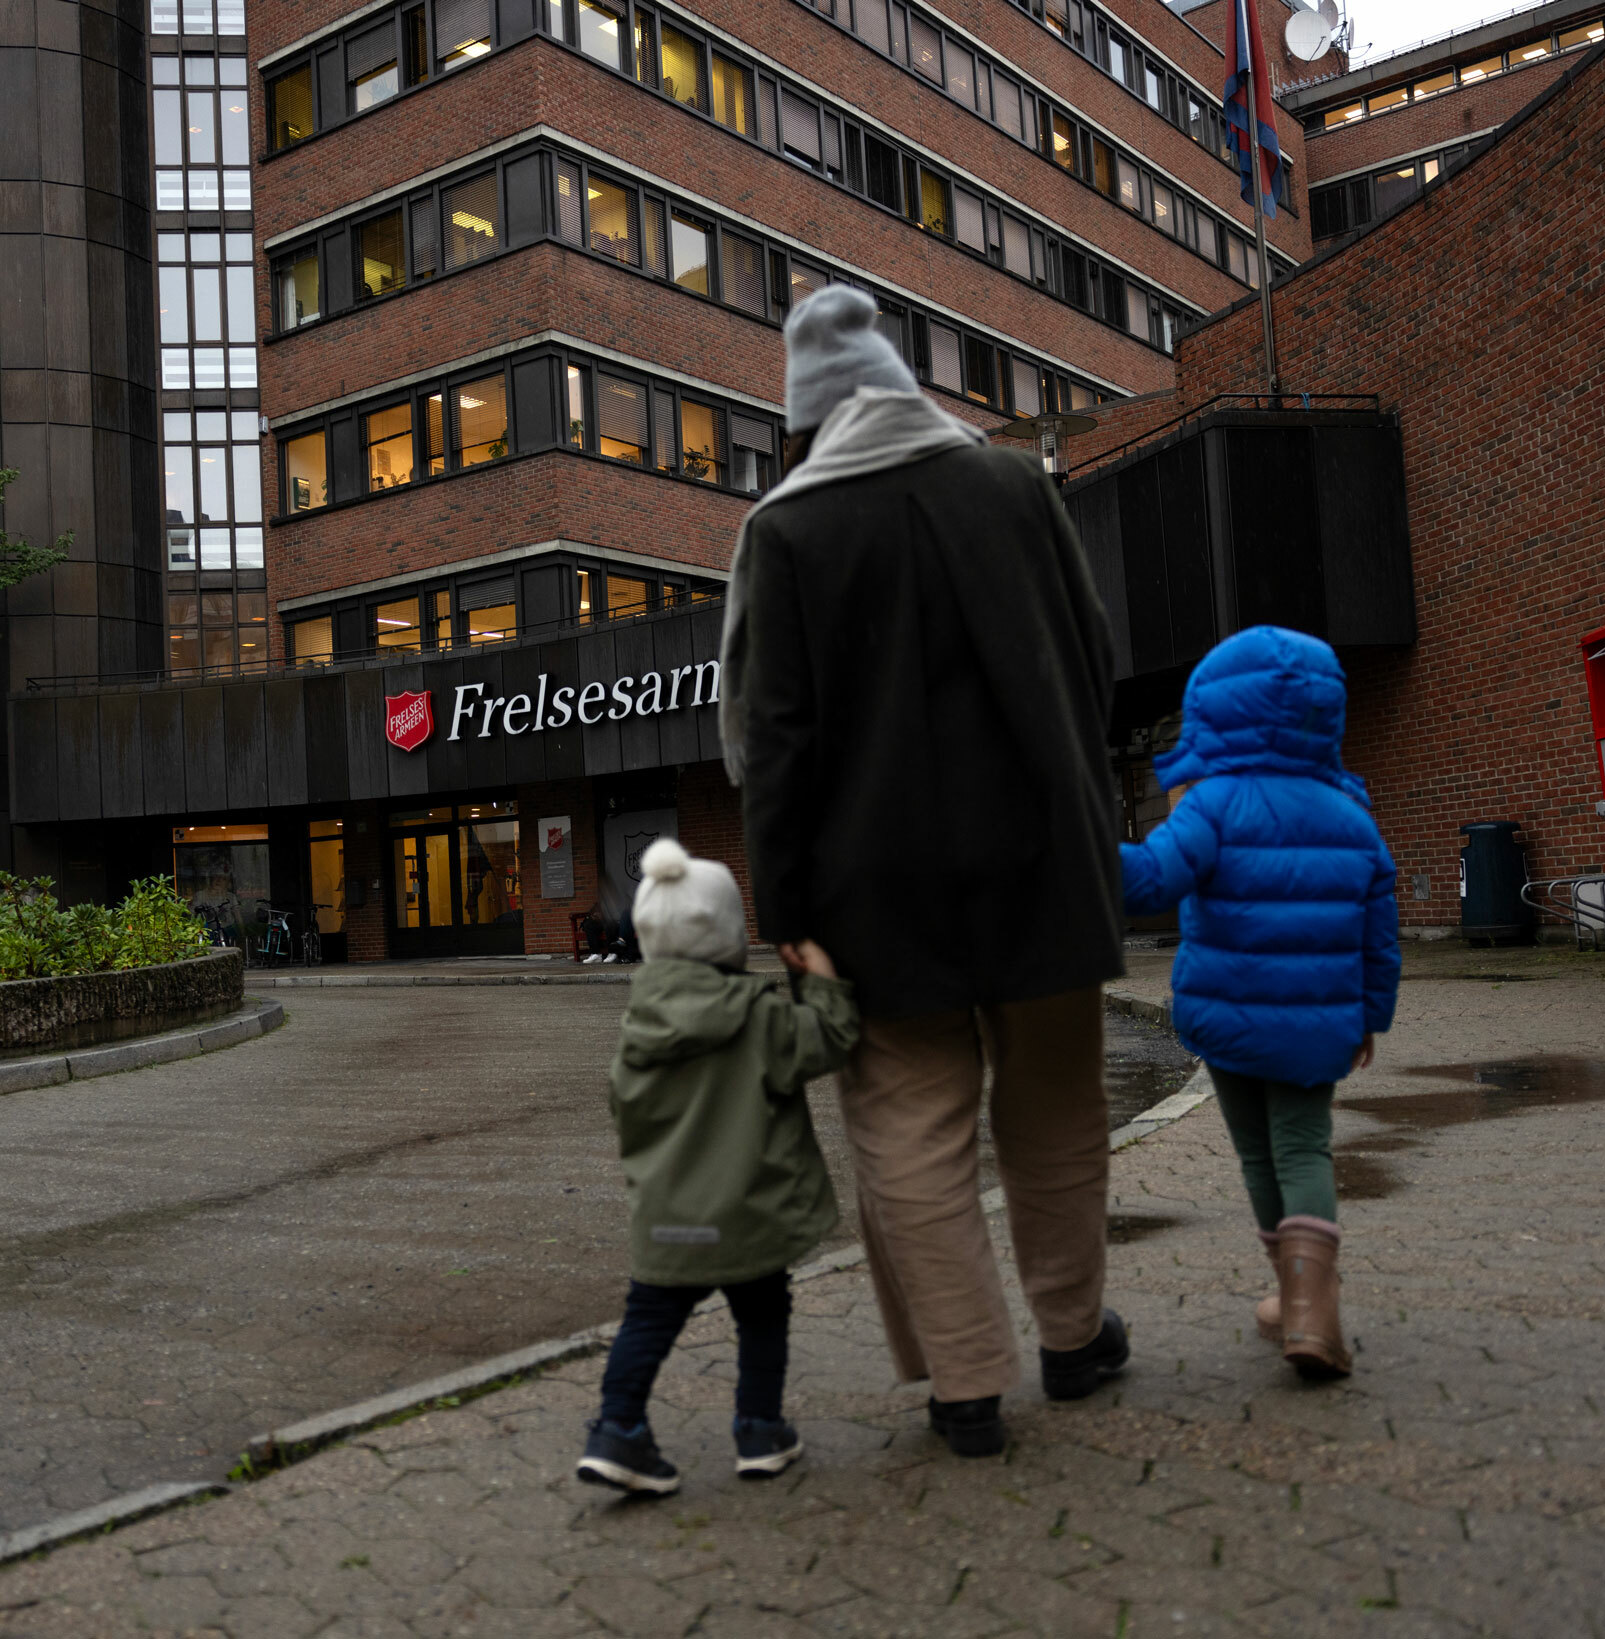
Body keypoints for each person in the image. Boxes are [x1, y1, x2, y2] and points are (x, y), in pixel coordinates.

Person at [722, 285, 1128, 1460]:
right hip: (1042, 858)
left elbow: (774, 744)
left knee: (910, 1125)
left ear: (806, 419)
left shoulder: (786, 533)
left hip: (869, 892)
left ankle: (965, 1385)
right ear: (901, 386)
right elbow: (1093, 654)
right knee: (1054, 1107)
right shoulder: (1012, 486)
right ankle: (1070, 1338)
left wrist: (785, 907)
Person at [1119, 626, 1400, 1379]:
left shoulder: (1212, 804)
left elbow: (1148, 881)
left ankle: (1291, 1291)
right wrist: (1370, 1015)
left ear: (1219, 711)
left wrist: (1085, 846)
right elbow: (1380, 933)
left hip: (1227, 1018)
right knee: (1304, 1146)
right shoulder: (1351, 813)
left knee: (1256, 1152)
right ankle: (1312, 1309)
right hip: (1319, 1025)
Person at [577, 838, 861, 1495]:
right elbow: (832, 1039)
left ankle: (616, 1429)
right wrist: (821, 978)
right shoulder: (762, 1017)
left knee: (646, 1321)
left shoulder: (636, 1028)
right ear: (730, 935)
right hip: (751, 1214)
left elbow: (621, 1108)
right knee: (763, 1314)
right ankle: (759, 1428)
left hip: (668, 1221)